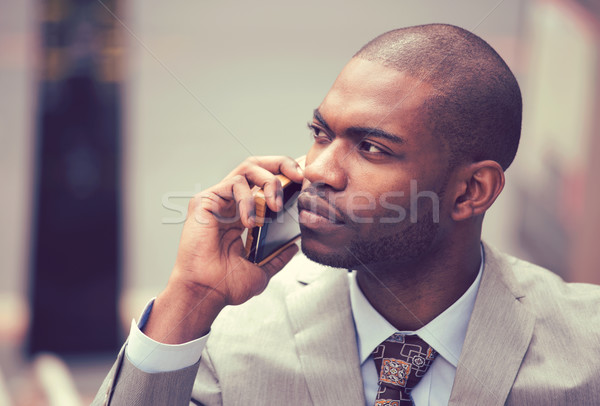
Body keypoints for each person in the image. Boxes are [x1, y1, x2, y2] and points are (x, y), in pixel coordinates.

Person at [93, 24, 600, 406]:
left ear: (471, 190)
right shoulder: (225, 338)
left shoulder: (587, 351)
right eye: (321, 134)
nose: (316, 171)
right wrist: (192, 296)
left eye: (372, 148)